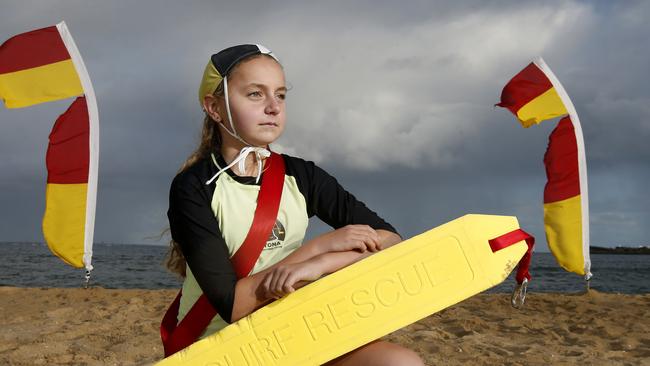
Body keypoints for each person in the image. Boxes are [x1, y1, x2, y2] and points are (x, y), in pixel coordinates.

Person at [165, 44, 424, 366]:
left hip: (293, 329)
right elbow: (233, 306)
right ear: (215, 108)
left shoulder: (302, 175)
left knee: (400, 362)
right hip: (220, 347)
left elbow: (390, 239)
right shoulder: (193, 188)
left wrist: (316, 266)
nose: (273, 107)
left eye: (281, 95)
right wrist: (317, 248)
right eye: (255, 94)